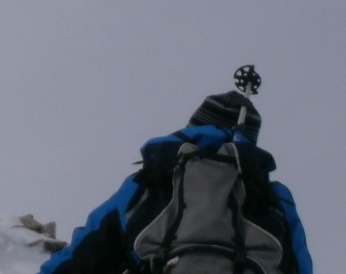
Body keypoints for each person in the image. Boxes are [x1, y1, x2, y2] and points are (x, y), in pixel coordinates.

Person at [40, 89, 312, 273]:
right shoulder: (272, 194)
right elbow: (299, 264)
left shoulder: (151, 178)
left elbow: (87, 251)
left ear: (192, 128)